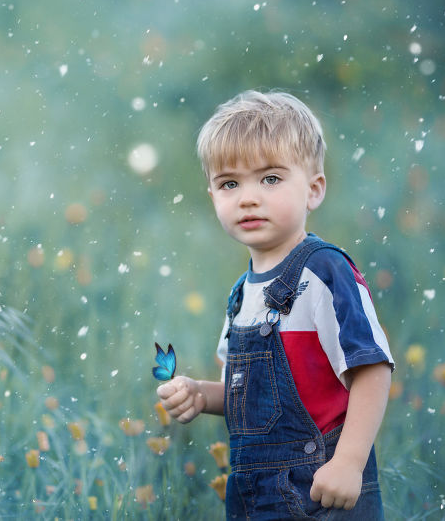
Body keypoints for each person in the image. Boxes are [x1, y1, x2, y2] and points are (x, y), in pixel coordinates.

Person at [157, 90, 394, 519]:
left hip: (321, 489)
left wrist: (349, 461)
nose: (248, 197)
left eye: (270, 178)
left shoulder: (324, 271)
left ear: (314, 189)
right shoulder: (240, 295)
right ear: (213, 196)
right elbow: (245, 398)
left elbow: (373, 368)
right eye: (230, 183)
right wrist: (201, 394)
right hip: (254, 495)